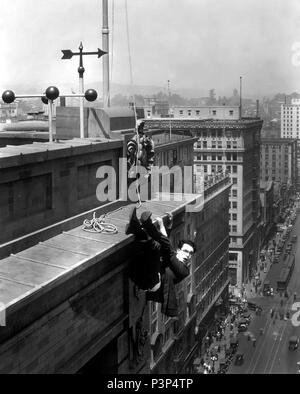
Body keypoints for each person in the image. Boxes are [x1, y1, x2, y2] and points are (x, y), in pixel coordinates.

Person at [126, 207, 196, 317]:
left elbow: (168, 250)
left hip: (150, 281)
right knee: (155, 246)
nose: (188, 255)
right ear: (179, 250)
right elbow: (167, 248)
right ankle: (134, 226)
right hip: (140, 270)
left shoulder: (184, 271)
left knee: (159, 247)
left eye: (191, 253)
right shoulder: (171, 257)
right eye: (186, 251)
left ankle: (145, 224)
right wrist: (168, 226)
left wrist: (163, 227)